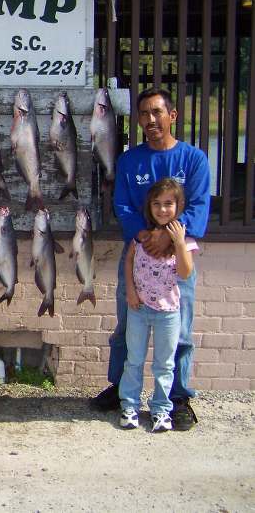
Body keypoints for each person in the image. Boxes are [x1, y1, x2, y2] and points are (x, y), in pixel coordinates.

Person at [91, 88, 210, 431]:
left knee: (180, 332)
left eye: (157, 112)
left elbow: (200, 206)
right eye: (144, 114)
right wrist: (144, 235)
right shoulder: (130, 160)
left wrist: (168, 236)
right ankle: (119, 389)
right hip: (137, 259)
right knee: (127, 327)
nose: (151, 120)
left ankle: (178, 398)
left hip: (177, 261)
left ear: (172, 116)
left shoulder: (193, 159)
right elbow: (124, 205)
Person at [119, 178, 197, 432]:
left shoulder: (183, 240)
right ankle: (129, 405)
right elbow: (129, 261)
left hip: (168, 314)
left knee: (164, 364)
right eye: (157, 204)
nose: (163, 209)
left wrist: (178, 242)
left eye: (168, 204)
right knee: (134, 359)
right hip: (139, 311)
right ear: (149, 207)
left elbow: (185, 273)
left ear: (178, 206)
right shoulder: (141, 237)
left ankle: (161, 409)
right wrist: (131, 292)